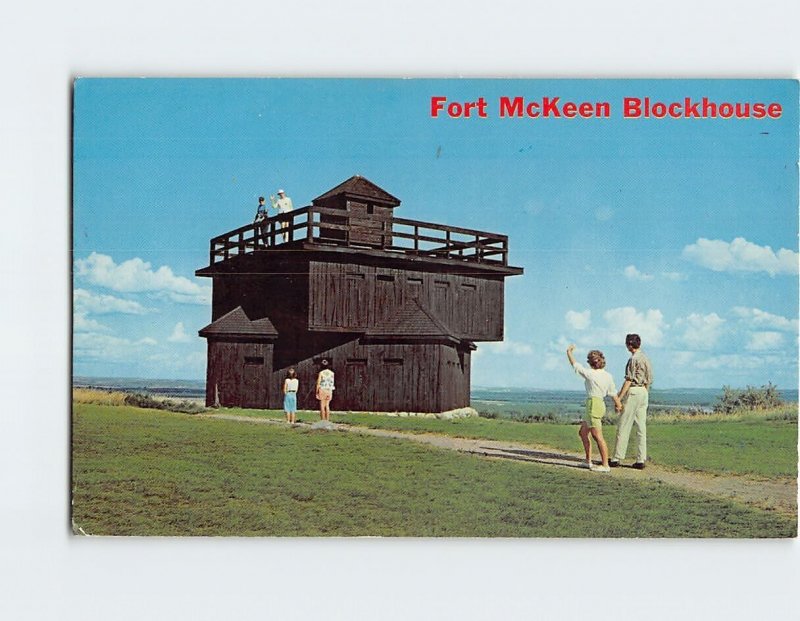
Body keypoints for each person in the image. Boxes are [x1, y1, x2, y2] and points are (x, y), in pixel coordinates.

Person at [567, 344, 622, 472]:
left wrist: (569, 352)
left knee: (597, 436)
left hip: (593, 405)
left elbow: (575, 365)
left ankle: (605, 465)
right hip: (598, 404)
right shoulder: (608, 375)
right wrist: (618, 404)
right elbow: (613, 392)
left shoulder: (590, 373)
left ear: (590, 363)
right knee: (583, 433)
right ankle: (588, 461)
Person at [610, 334, 653, 469]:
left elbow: (628, 380)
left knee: (624, 425)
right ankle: (641, 459)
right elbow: (649, 379)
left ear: (629, 344)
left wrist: (619, 398)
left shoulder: (633, 359)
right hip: (644, 392)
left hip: (634, 391)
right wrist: (645, 392)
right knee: (641, 427)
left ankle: (616, 457)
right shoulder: (646, 358)